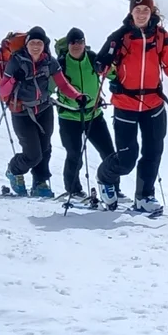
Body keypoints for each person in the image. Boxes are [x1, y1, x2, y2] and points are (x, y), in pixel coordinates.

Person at [94, 0, 168, 216]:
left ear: (151, 12)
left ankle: (144, 196)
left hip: (153, 104)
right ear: (130, 12)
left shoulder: (161, 36)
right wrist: (102, 67)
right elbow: (102, 62)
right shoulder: (120, 37)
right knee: (126, 159)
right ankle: (105, 178)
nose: (141, 14)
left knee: (153, 151)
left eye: (145, 10)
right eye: (137, 10)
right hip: (125, 103)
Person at [0, 26, 86, 198]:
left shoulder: (49, 61)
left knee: (45, 148)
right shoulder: (16, 61)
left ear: (44, 44)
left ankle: (40, 181)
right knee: (33, 154)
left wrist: (77, 96)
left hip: (44, 108)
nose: (36, 46)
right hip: (22, 111)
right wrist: (15, 78)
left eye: (39, 43)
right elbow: (3, 91)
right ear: (27, 44)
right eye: (32, 42)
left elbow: (62, 84)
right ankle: (14, 170)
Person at [55, 26, 114, 204]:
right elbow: (52, 83)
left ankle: (112, 188)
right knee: (74, 155)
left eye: (80, 41)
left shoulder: (93, 58)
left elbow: (111, 73)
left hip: (94, 115)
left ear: (84, 43)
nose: (76, 45)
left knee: (109, 154)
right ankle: (73, 190)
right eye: (73, 42)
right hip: (69, 117)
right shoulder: (62, 63)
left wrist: (118, 78)